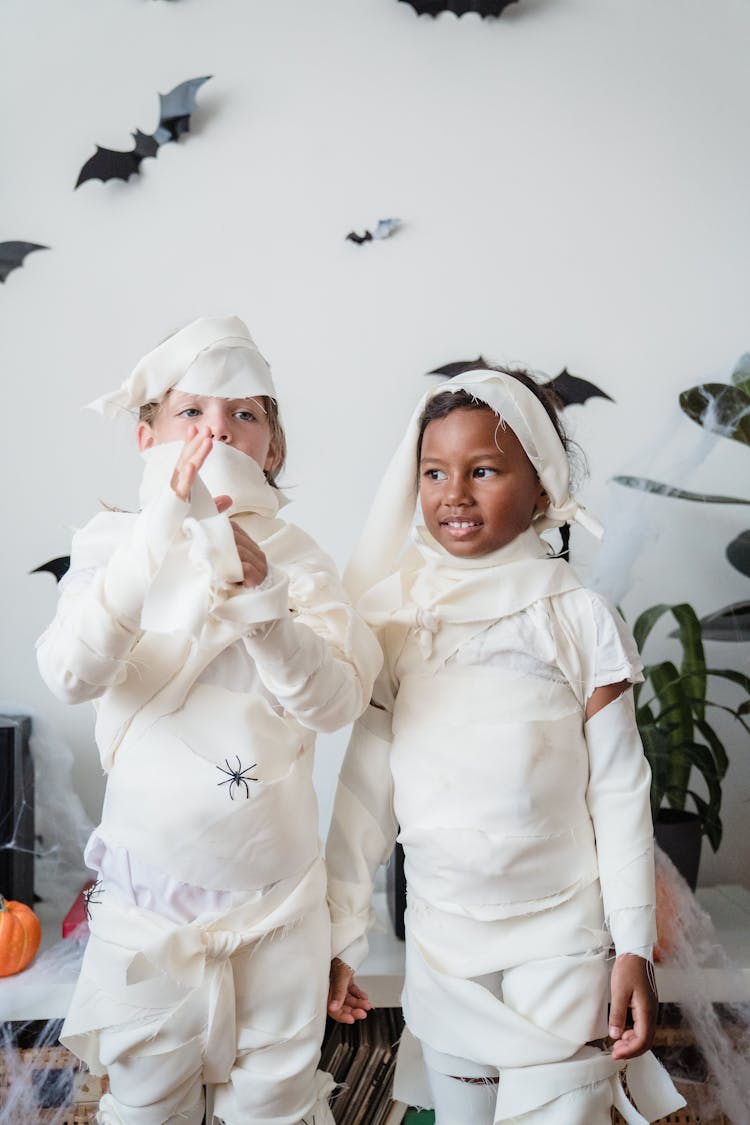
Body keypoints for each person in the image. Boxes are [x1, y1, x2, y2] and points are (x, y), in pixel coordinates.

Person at [37, 315, 382, 1125]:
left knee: (278, 1109)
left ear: (273, 446)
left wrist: (266, 607)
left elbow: (334, 704)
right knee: (144, 1104)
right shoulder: (107, 548)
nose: (218, 429)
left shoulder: (300, 560)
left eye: (244, 413)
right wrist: (159, 531)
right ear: (146, 432)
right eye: (192, 411)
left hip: (278, 913)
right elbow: (70, 671)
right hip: (144, 912)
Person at [325, 369, 685, 1124]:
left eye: (483, 469)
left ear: (541, 485)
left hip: (562, 932)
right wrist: (340, 932)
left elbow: (620, 788)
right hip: (442, 937)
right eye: (434, 472)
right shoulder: (396, 620)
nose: (453, 492)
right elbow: (364, 790)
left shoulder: (577, 616)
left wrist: (634, 944)